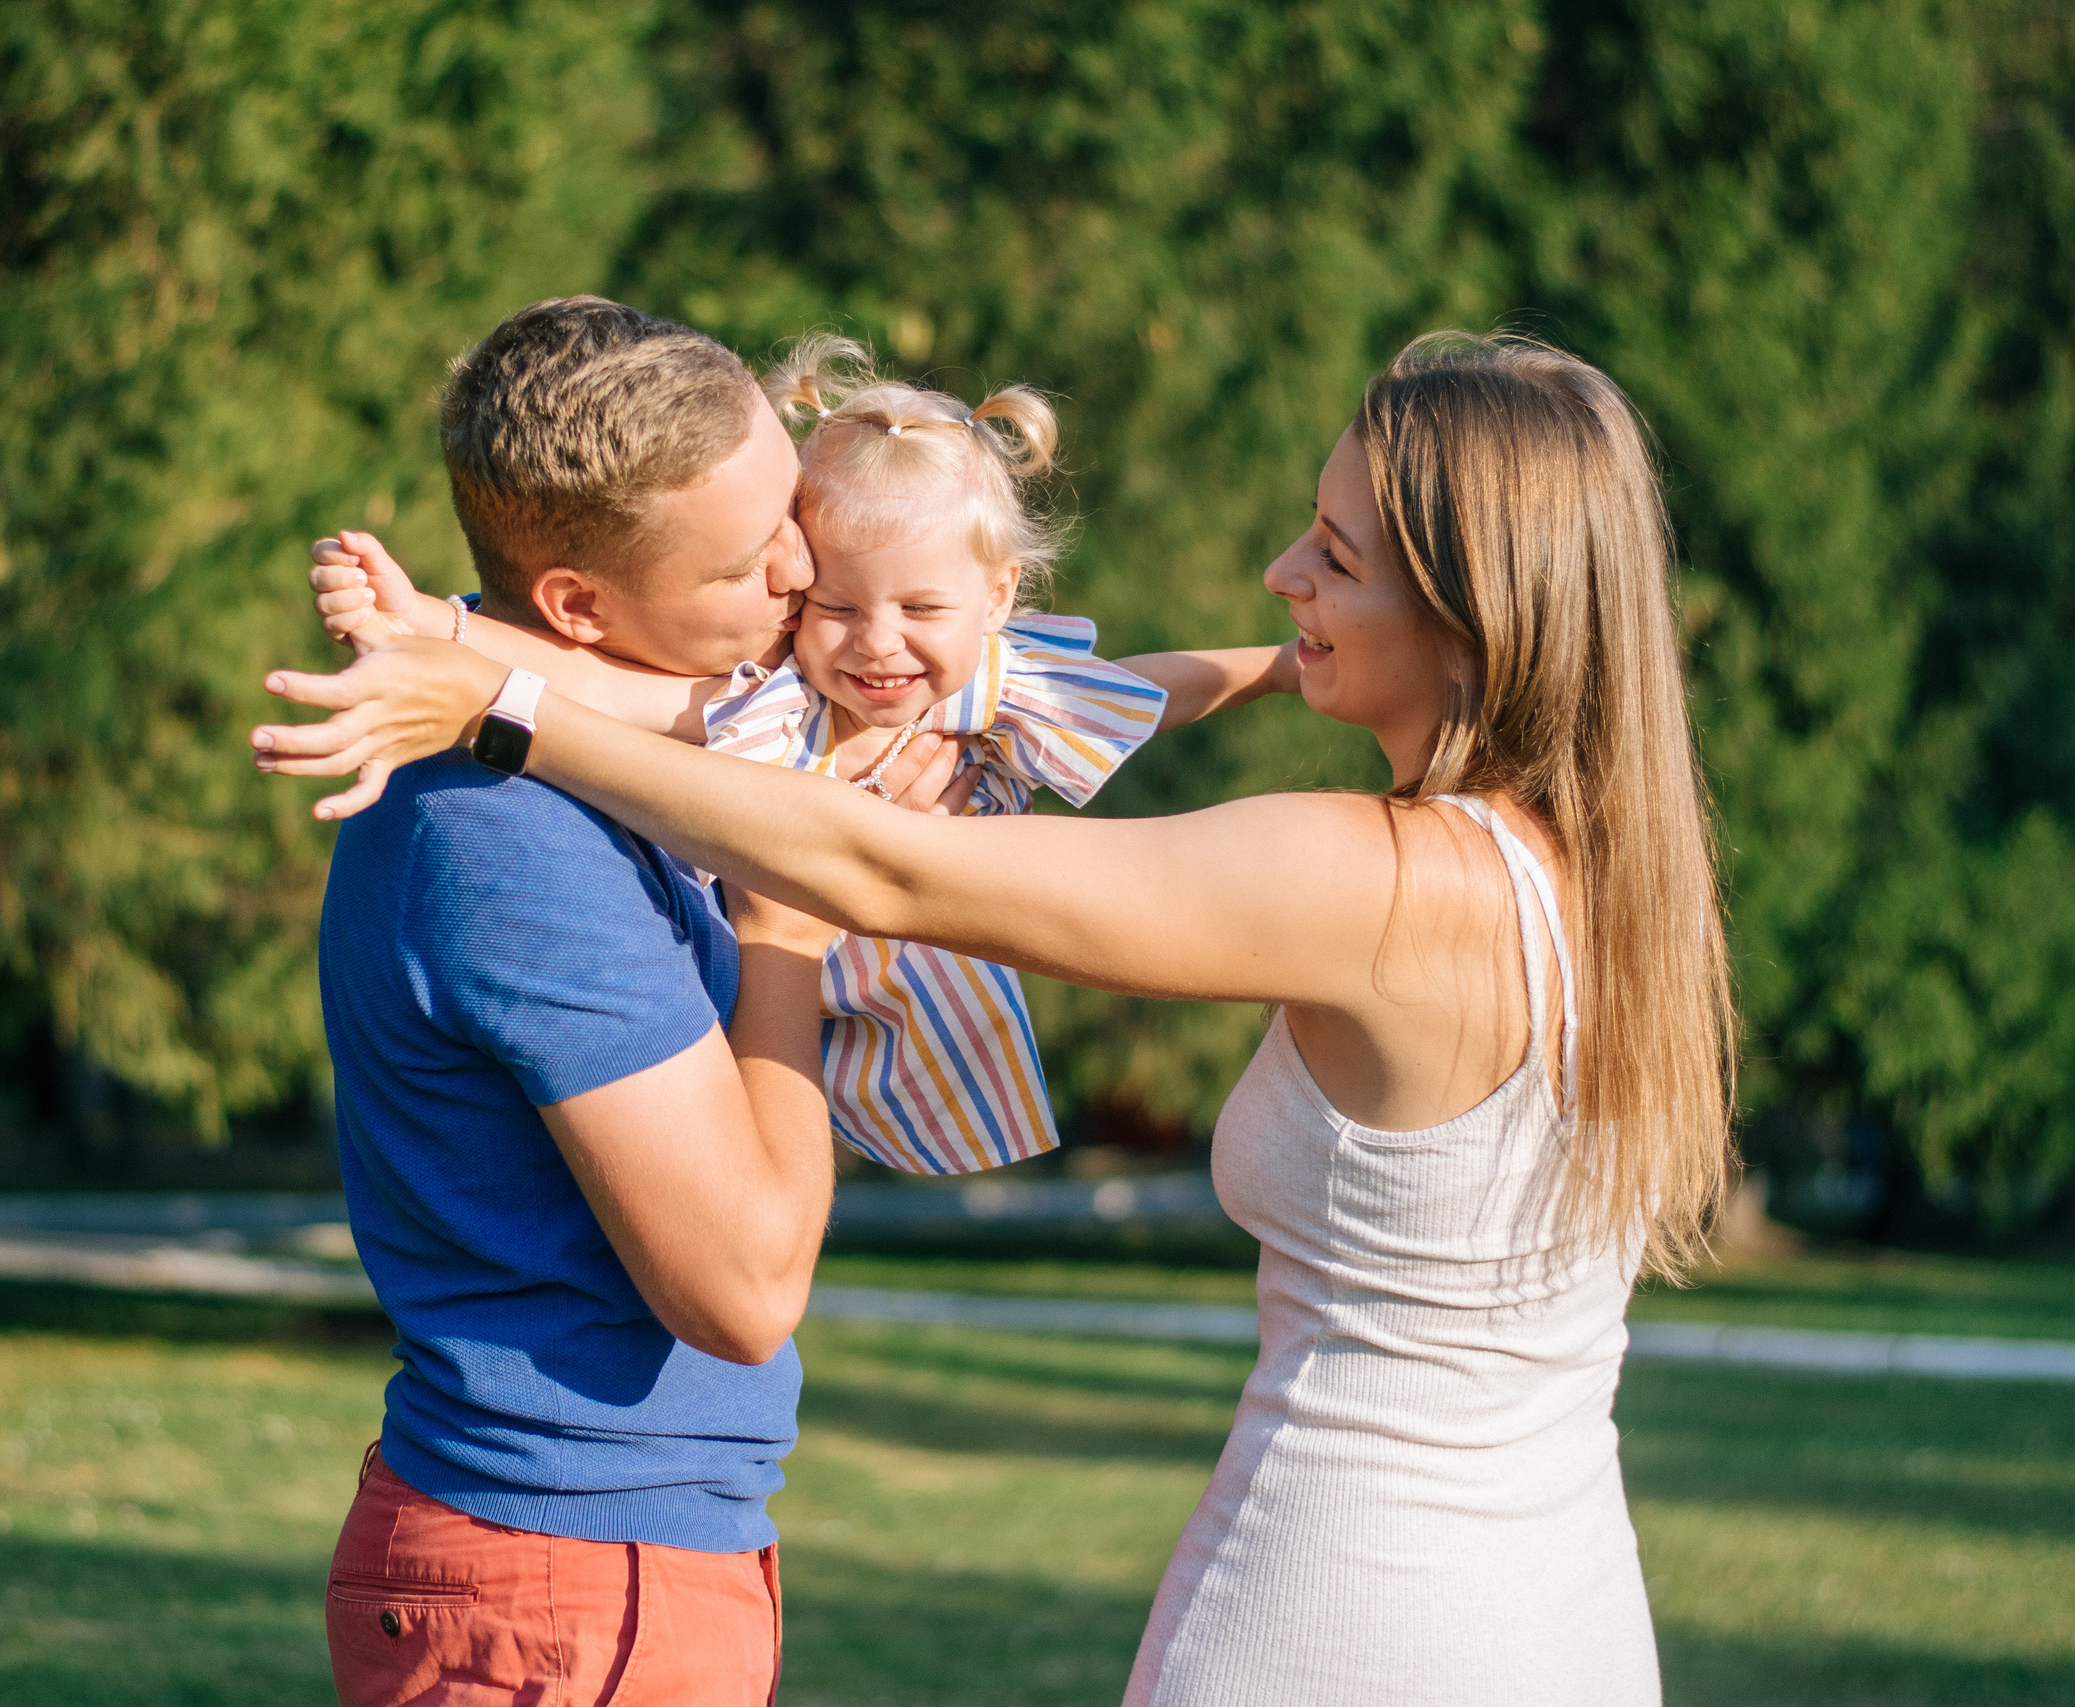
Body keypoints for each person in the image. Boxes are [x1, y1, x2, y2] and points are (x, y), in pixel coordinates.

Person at [254, 330, 1738, 1707]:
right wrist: (475, 633)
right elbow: (750, 718)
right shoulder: (1588, 870)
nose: (1282, 571)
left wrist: (495, 702)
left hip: (1354, 1604)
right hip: (1560, 1605)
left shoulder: (1387, 877)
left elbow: (874, 862)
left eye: (1335, 554)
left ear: (1475, 604)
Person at [305, 295, 962, 1707]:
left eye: (791, 509)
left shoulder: (612, 745)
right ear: (578, 604)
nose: (803, 571)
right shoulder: (509, 833)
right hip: (568, 1583)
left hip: (604, 1562)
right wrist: (781, 931)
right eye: (744, 561)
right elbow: (741, 1285)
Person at [313, 332, 1294, 1175]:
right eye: (833, 603)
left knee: (1156, 898)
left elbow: (1141, 690)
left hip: (913, 1007)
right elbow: (598, 693)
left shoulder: (985, 689)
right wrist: (439, 627)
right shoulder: (773, 699)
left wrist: (1283, 667)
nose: (875, 643)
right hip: (751, 1022)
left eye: (919, 609)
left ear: (994, 602)